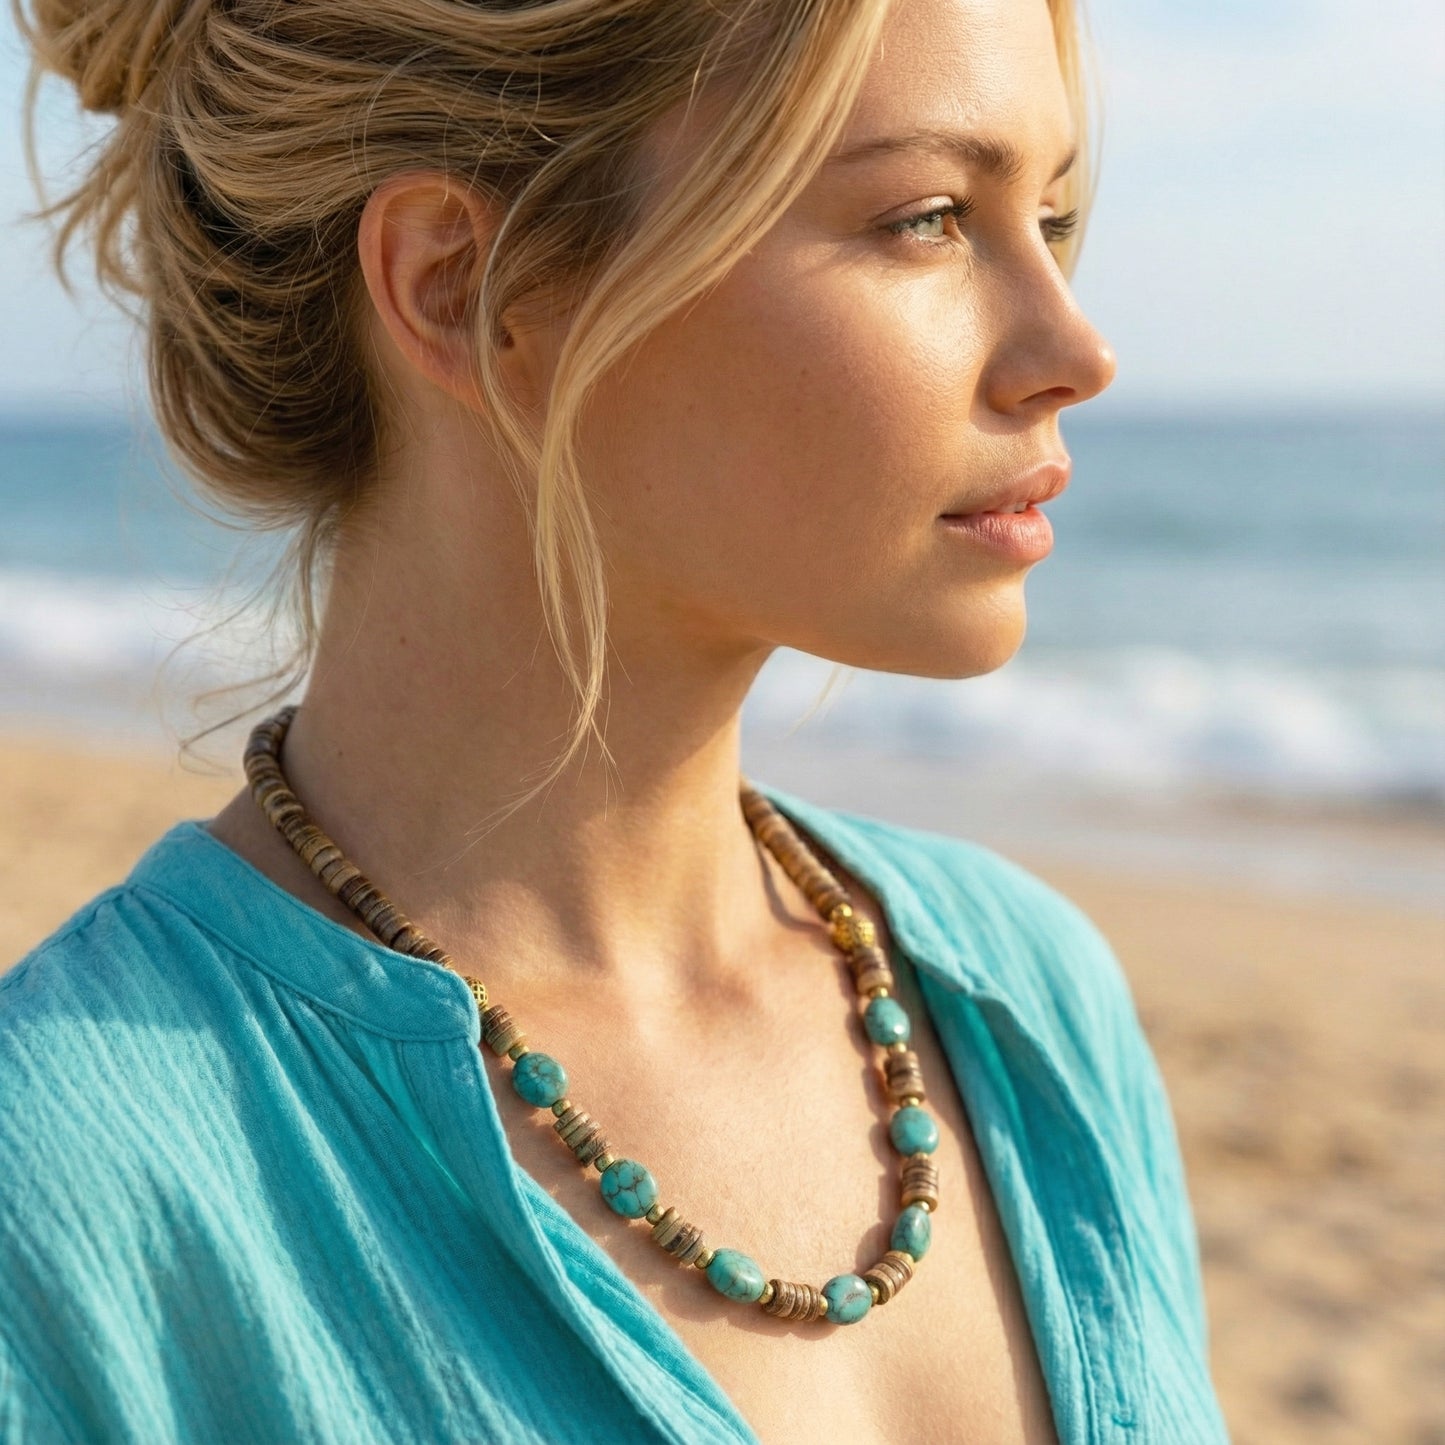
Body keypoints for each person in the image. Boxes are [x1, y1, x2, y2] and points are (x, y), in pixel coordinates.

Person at [1, 0, 1230, 1440]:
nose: (1072, 347)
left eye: (1056, 215)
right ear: (463, 285)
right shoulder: (68, 1181)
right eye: (927, 217)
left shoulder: (1024, 996)